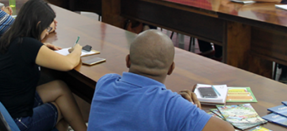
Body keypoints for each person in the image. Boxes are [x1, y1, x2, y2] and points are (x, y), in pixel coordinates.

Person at [88, 30, 234, 131]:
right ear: (171, 69)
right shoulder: (170, 106)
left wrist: (178, 104)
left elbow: (140, 102)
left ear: (128, 61)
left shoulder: (105, 83)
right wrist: (189, 110)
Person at [0, 0, 87, 131]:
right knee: (65, 109)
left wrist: (42, 47)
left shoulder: (8, 38)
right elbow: (69, 63)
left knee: (60, 87)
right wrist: (77, 50)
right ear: (38, 25)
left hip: (1, 112)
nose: (47, 32)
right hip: (17, 122)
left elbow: (22, 53)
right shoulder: (29, 46)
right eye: (47, 28)